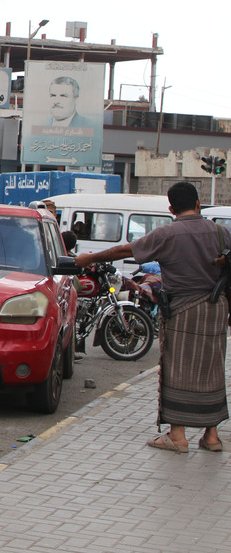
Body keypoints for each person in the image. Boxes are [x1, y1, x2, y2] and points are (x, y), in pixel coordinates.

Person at [74, 181, 231, 453]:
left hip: (182, 310)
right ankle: (212, 436)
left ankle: (178, 436)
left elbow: (126, 251)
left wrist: (89, 259)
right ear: (198, 204)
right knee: (211, 368)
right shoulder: (221, 232)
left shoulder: (166, 234)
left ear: (171, 209)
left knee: (177, 368)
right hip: (217, 309)